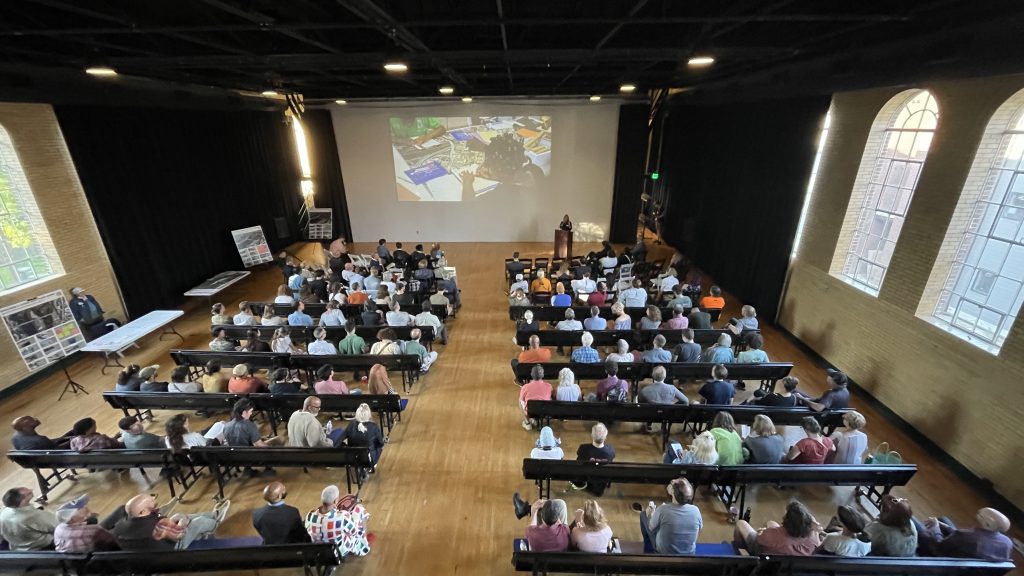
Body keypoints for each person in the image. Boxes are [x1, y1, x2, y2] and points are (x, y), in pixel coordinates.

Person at [112, 492, 229, 550]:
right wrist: (184, 521)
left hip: (149, 551)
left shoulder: (119, 526)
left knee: (178, 516)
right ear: (142, 512)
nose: (154, 504)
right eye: (151, 505)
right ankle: (215, 522)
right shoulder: (155, 526)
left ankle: (213, 515)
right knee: (198, 522)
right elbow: (180, 534)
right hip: (172, 549)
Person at [916, 508, 1012, 560]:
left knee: (916, 525)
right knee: (943, 520)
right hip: (969, 565)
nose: (977, 514)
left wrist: (935, 527)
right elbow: (962, 536)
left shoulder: (967, 536)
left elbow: (938, 546)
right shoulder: (1008, 542)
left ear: (987, 524)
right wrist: (941, 525)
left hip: (944, 561)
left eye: (979, 514)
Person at [637, 478, 702, 554]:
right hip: (689, 553)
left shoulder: (663, 509)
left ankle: (648, 545)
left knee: (643, 515)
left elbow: (651, 527)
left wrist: (650, 514)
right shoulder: (696, 510)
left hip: (664, 553)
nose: (671, 482)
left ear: (673, 492)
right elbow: (699, 528)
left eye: (672, 484)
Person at [734, 501, 821, 556]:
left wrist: (762, 532)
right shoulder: (814, 538)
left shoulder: (776, 535)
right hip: (789, 563)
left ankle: (742, 554)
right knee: (770, 523)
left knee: (741, 523)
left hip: (766, 557)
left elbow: (759, 539)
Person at [304, 486, 372, 557]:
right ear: (335, 501)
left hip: (318, 551)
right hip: (337, 552)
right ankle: (364, 544)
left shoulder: (310, 515)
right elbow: (355, 532)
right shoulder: (342, 516)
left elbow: (308, 528)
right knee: (359, 509)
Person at [53, 494, 118, 553]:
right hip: (103, 556)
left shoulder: (58, 529)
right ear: (73, 518)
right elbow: (113, 540)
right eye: (81, 508)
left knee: (92, 520)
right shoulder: (94, 530)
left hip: (76, 558)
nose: (85, 507)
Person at [336, 403, 386, 468]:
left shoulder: (351, 425)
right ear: (369, 414)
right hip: (369, 460)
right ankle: (372, 465)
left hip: (352, 458)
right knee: (379, 447)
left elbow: (338, 442)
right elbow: (381, 443)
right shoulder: (374, 427)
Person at [574, 423, 615, 496]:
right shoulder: (610, 451)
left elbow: (579, 460)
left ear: (592, 435)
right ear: (605, 437)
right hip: (603, 475)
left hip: (588, 474)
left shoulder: (583, 448)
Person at [519, 365, 553, 430]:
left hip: (530, 411)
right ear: (543, 375)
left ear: (531, 375)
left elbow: (522, 400)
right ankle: (536, 419)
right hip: (545, 411)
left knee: (520, 401)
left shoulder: (525, 387)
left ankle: (527, 423)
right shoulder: (549, 386)